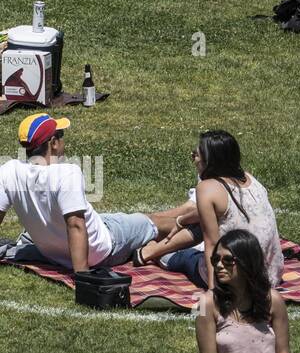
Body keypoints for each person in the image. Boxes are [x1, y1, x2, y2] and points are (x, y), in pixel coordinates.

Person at [0, 115, 190, 270]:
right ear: (53, 142)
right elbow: (75, 225)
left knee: (135, 218)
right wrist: (83, 276)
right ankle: (202, 228)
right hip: (104, 248)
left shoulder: (9, 170)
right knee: (153, 223)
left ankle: (193, 212)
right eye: (61, 134)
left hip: (53, 252)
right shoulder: (66, 173)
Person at [177, 230, 300, 353]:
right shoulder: (205, 303)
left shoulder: (273, 301)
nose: (219, 265)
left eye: (227, 260)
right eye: (215, 259)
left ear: (247, 262)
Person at [135, 130, 284, 289]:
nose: (194, 160)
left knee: (183, 258)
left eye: (196, 155)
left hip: (234, 282)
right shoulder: (250, 179)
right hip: (269, 275)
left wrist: (215, 291)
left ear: (209, 162)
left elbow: (211, 244)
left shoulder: (207, 189)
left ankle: (151, 252)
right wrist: (182, 220)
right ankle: (150, 251)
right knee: (208, 222)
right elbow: (218, 212)